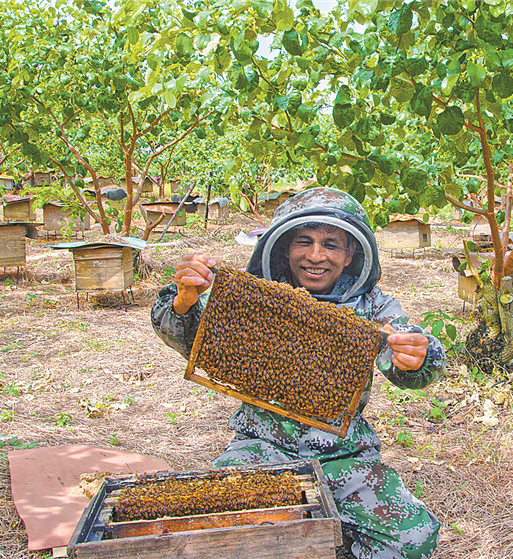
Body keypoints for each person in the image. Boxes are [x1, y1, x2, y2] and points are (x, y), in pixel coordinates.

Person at [151, 188, 443, 559]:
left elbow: (405, 356)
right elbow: (189, 334)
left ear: (351, 251)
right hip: (261, 447)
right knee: (218, 532)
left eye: (331, 244)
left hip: (344, 455)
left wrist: (418, 355)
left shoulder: (374, 306)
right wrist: (184, 301)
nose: (316, 255)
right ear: (285, 247)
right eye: (304, 241)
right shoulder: (253, 295)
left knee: (412, 538)